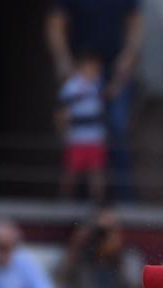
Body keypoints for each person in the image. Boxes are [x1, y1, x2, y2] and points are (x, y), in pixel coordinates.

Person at [47, 0, 143, 201]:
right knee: (76, 139)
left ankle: (123, 199)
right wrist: (64, 63)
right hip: (81, 69)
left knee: (117, 129)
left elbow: (135, 23)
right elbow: (55, 24)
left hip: (114, 70)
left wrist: (127, 59)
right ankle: (73, 201)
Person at [60, 207, 143, 288]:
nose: (105, 237)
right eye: (101, 233)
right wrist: (76, 245)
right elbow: (60, 285)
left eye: (111, 231)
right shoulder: (80, 259)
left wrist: (118, 260)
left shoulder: (129, 259)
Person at [57, 50, 108, 203]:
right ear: (83, 66)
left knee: (97, 173)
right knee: (71, 174)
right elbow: (61, 112)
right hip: (77, 138)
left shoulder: (98, 84)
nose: (95, 70)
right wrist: (63, 132)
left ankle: (98, 204)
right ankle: (64, 201)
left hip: (95, 138)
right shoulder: (71, 86)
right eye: (92, 67)